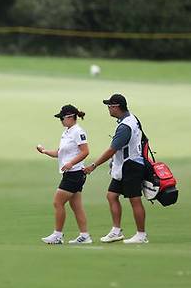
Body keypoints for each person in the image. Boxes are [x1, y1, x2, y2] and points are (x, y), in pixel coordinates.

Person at [84, 94, 148, 244]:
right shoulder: (132, 118)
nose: (108, 109)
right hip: (125, 165)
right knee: (112, 195)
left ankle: (141, 234)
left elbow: (112, 150)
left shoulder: (125, 127)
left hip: (131, 166)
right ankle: (116, 231)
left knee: (135, 200)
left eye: (109, 106)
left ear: (116, 107)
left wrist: (93, 165)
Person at [37, 105, 91, 244]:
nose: (61, 121)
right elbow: (59, 153)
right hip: (70, 173)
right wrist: (44, 151)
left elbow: (85, 151)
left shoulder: (78, 132)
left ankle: (58, 235)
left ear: (70, 117)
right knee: (76, 206)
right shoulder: (67, 132)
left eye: (62, 118)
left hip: (74, 173)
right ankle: (85, 236)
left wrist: (71, 163)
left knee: (58, 202)